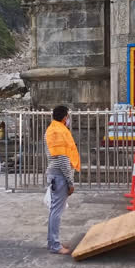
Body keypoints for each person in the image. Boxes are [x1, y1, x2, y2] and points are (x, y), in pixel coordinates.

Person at [45, 105, 80, 255]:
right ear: (65, 117)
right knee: (56, 211)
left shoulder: (54, 129)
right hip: (59, 175)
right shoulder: (58, 131)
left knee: (55, 210)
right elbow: (62, 159)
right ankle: (54, 244)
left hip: (57, 174)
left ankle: (52, 241)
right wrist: (70, 181)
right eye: (68, 116)